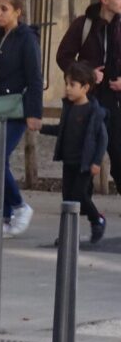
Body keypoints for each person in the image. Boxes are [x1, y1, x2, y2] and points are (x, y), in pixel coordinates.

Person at [0, 0, 43, 239]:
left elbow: (34, 77)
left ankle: (20, 207)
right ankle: (5, 219)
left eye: (4, 9)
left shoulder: (26, 39)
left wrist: (34, 112)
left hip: (16, 109)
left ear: (18, 12)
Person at [56, 0, 121, 196]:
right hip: (87, 99)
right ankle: (80, 200)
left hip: (116, 100)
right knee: (84, 147)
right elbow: (63, 56)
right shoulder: (83, 25)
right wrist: (88, 73)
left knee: (118, 150)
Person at [41, 62, 109, 243]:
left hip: (84, 164)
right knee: (68, 199)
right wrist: (42, 127)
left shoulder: (93, 111)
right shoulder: (69, 108)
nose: (68, 89)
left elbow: (102, 138)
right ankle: (68, 235)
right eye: (66, 84)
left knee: (80, 196)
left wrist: (96, 162)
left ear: (85, 87)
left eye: (72, 85)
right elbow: (61, 130)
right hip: (69, 162)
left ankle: (97, 220)